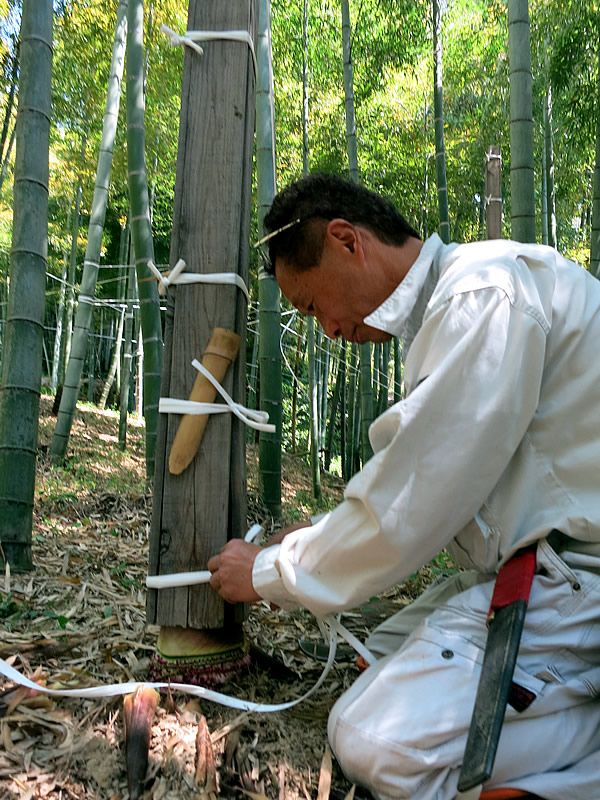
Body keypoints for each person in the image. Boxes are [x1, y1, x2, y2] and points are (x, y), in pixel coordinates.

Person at [207, 174, 600, 800]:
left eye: (311, 306)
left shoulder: (481, 294)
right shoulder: (455, 305)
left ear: (345, 241)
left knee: (372, 740)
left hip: (580, 582)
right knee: (377, 655)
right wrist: (314, 538)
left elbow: (410, 506)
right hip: (543, 571)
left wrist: (268, 572)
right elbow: (430, 481)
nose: (326, 329)